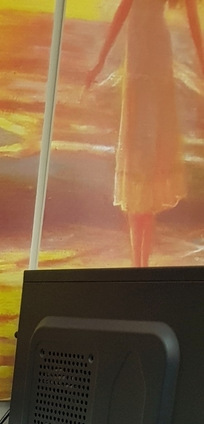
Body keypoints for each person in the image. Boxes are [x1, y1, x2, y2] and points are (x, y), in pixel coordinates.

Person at [86, 0, 204, 267]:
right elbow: (123, 10)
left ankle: (141, 265)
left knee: (146, 160)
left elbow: (192, 18)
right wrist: (100, 60)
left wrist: (202, 61)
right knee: (136, 157)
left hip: (154, 60)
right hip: (139, 59)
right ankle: (138, 265)